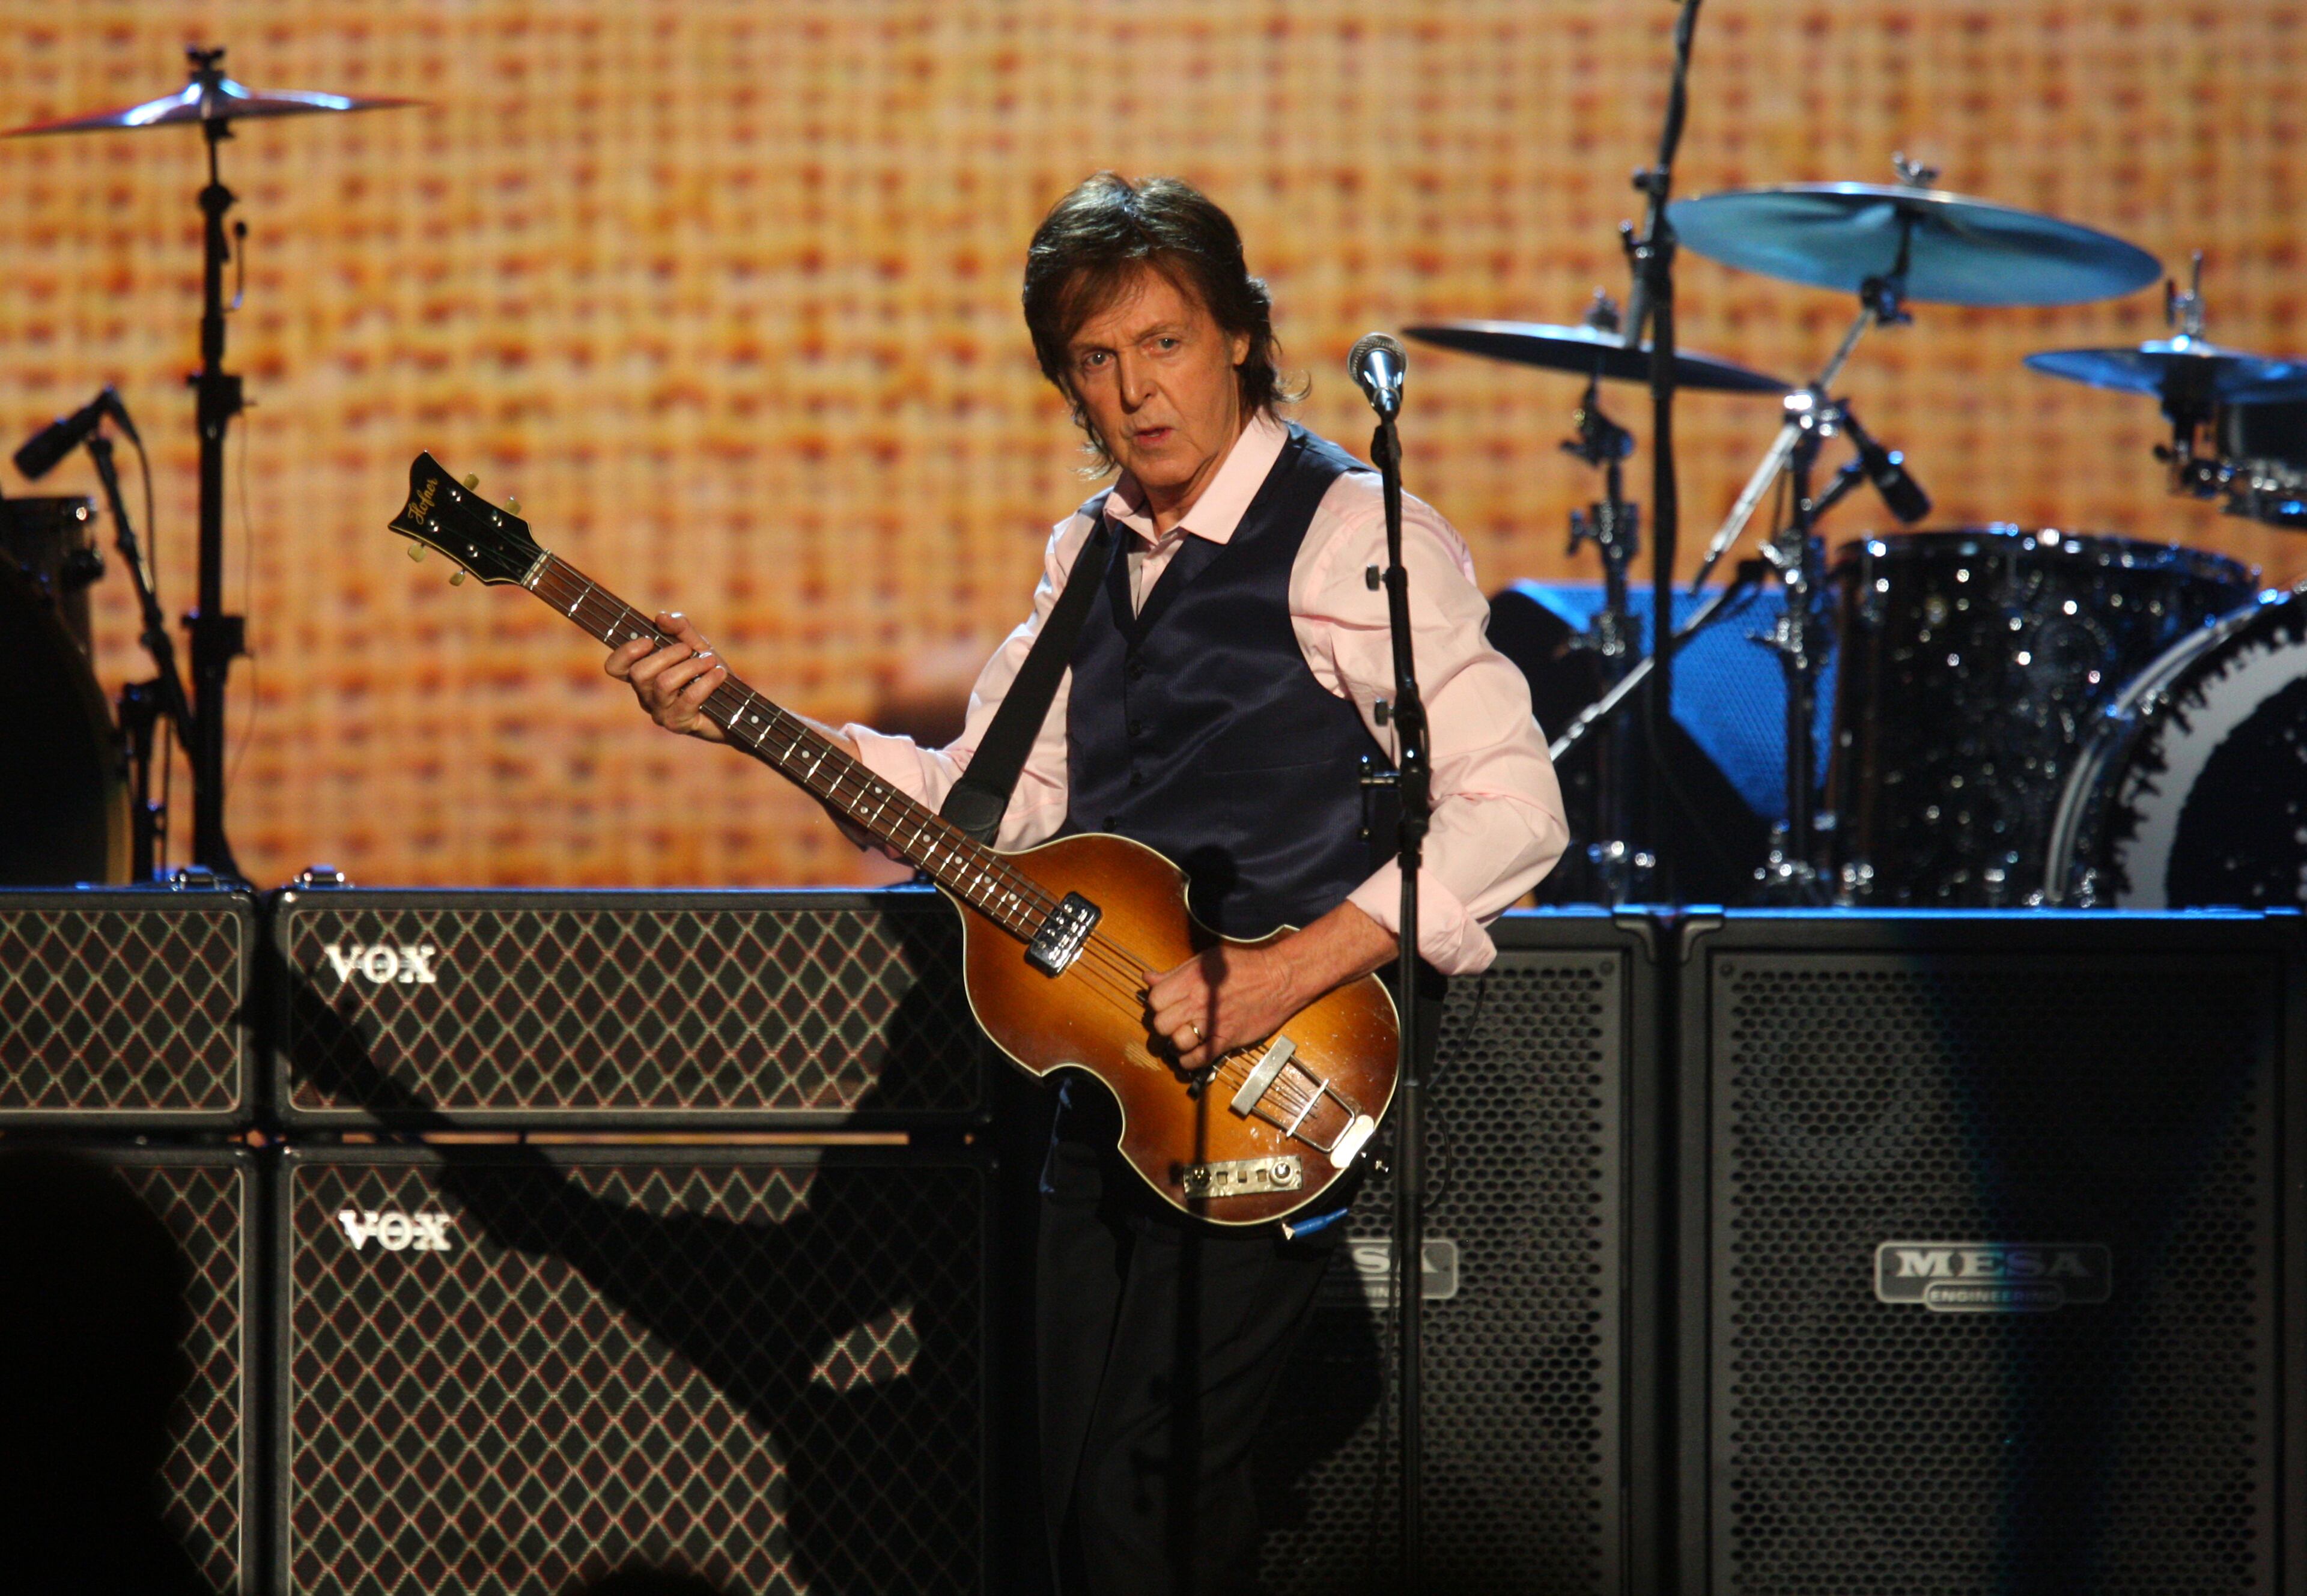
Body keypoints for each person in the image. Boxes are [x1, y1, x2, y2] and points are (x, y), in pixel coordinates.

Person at [609, 172, 1566, 1595]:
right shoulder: (1089, 554)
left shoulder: (1352, 533)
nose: (1136, 391)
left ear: (1238, 336)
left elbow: (1514, 808)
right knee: (1060, 1499)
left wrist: (1285, 971)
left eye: (1164, 343)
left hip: (1279, 1074)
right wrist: (746, 722)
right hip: (1106, 1085)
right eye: (1097, 359)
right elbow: (981, 806)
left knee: (1148, 1496)